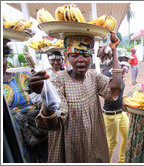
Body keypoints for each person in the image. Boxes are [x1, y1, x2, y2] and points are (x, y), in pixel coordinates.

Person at [28, 33, 122, 163]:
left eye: (85, 55)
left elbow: (116, 84)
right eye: (75, 55)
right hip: (69, 146)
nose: (81, 59)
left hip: (93, 142)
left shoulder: (93, 77)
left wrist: (114, 49)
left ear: (91, 57)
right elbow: (53, 123)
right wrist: (46, 96)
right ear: (67, 57)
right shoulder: (59, 80)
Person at [3, 38, 48, 163]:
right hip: (12, 143)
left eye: (2, 57)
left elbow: (43, 100)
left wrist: (43, 92)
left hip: (38, 136)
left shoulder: (23, 76)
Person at [101, 48, 132, 163]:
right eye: (124, 59)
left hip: (121, 112)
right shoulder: (107, 73)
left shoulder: (118, 72)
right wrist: (120, 72)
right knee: (112, 142)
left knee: (127, 136)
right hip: (110, 115)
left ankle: (122, 160)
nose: (126, 61)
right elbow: (115, 86)